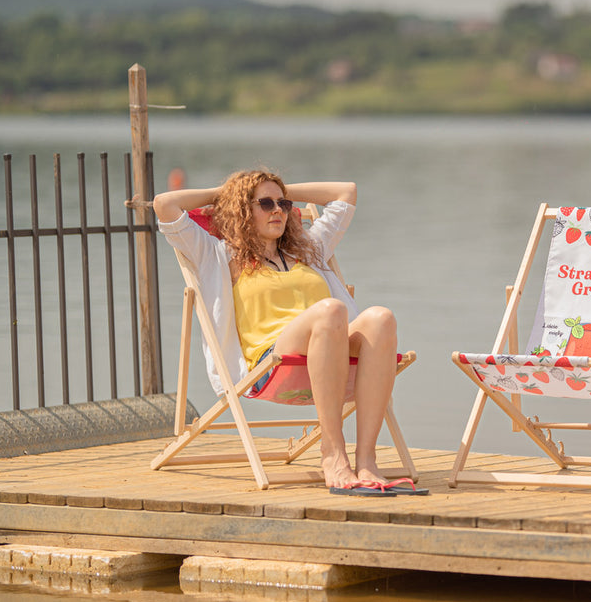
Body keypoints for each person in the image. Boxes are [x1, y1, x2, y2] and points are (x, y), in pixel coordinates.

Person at [152, 169, 420, 495]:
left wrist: (277, 189)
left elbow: (346, 192)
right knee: (331, 310)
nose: (278, 210)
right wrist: (230, 192)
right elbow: (164, 204)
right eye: (265, 203)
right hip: (272, 363)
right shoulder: (217, 255)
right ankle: (333, 454)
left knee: (381, 317)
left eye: (283, 203)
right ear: (242, 209)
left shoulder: (309, 248)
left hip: (333, 355)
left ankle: (366, 459)